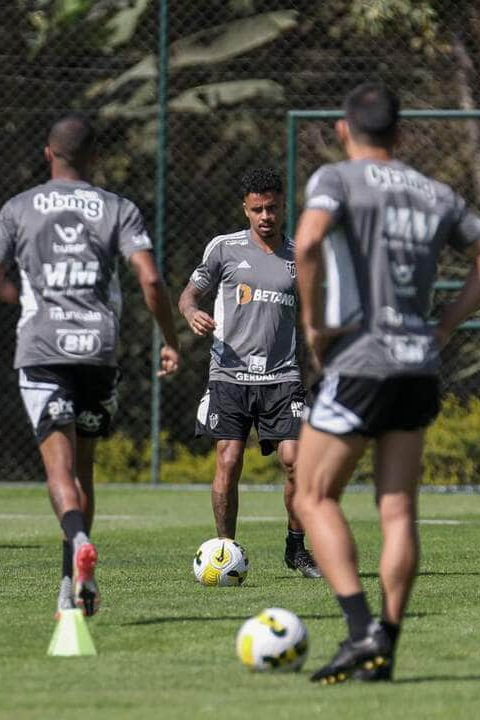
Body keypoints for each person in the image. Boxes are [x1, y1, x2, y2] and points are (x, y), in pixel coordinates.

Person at [291, 83, 480, 683]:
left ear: (343, 130)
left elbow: (307, 242)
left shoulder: (336, 180)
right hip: (417, 363)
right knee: (397, 509)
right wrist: (441, 326)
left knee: (312, 496)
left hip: (361, 358)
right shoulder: (436, 192)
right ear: (401, 134)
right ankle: (386, 640)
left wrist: (313, 326)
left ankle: (361, 631)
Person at [0, 113, 181, 618]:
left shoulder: (19, 208)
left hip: (43, 349)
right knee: (84, 469)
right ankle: (71, 585)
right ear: (94, 158)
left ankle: (79, 539)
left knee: (58, 469)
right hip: (98, 351)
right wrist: (169, 338)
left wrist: (25, 299)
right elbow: (151, 282)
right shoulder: (118, 208)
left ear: (48, 153)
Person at [178, 167, 320, 578]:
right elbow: (190, 293)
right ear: (245, 208)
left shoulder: (300, 256)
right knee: (229, 458)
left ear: (283, 206)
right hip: (229, 373)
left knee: (296, 463)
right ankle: (224, 551)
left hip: (282, 376)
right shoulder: (223, 249)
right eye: (257, 209)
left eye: (272, 208)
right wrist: (190, 312)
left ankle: (296, 548)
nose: (265, 217)